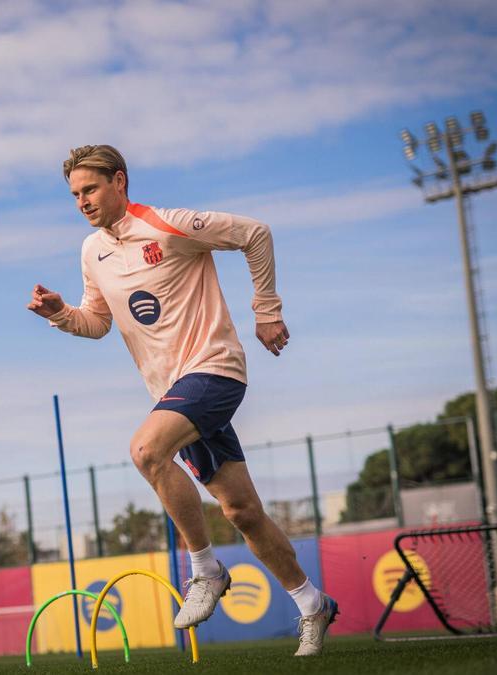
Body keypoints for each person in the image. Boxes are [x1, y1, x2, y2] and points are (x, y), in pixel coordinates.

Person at [27, 145, 338, 656]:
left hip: (215, 370)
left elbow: (254, 233)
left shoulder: (168, 224)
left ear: (119, 182)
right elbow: (98, 323)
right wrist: (61, 313)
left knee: (147, 451)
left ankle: (204, 569)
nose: (81, 201)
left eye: (90, 189)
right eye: (75, 194)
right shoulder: (91, 251)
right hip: (173, 393)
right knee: (241, 510)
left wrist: (266, 309)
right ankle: (311, 602)